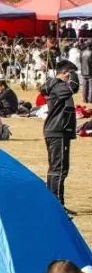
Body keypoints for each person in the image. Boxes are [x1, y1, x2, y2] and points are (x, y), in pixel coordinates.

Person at [42, 60, 79, 210]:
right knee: (59, 169)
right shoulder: (58, 85)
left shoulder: (56, 85)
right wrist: (74, 77)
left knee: (56, 168)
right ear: (65, 73)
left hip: (56, 130)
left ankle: (55, 202)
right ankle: (57, 205)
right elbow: (73, 88)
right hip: (57, 131)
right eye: (70, 74)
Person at [81, 40, 92, 105]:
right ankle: (90, 99)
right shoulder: (91, 53)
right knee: (91, 86)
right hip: (90, 72)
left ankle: (85, 99)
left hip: (83, 71)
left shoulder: (82, 52)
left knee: (84, 86)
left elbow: (80, 61)